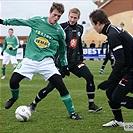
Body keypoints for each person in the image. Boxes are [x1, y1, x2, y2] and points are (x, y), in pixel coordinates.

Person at [0, 2, 82, 120]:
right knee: (13, 81)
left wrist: (64, 65)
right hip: (29, 60)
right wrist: (3, 22)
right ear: (50, 12)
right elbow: (20, 21)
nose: (56, 18)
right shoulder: (37, 20)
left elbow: (62, 49)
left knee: (61, 86)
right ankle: (14, 97)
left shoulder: (59, 31)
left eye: (59, 16)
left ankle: (72, 113)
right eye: (55, 15)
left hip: (47, 62)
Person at [30, 8, 102, 113]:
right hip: (62, 63)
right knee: (51, 86)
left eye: (75, 18)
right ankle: (33, 104)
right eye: (71, 17)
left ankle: (91, 105)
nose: (72, 20)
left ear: (79, 18)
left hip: (75, 62)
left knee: (90, 77)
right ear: (68, 16)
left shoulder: (80, 28)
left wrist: (81, 57)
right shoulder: (61, 27)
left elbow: (78, 44)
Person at [89, 9, 133, 127]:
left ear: (98, 23)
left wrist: (109, 80)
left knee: (117, 97)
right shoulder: (112, 31)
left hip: (131, 70)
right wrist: (111, 82)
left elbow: (120, 60)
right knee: (110, 92)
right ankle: (119, 121)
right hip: (127, 68)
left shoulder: (112, 34)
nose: (93, 27)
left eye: (93, 24)